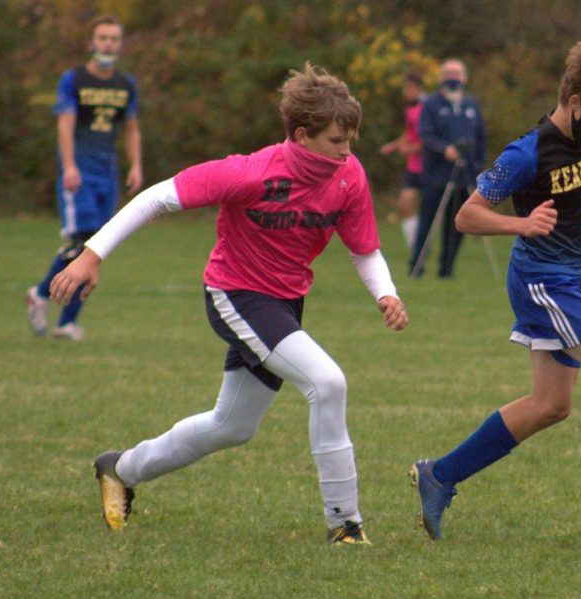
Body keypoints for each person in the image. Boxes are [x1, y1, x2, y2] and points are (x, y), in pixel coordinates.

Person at [50, 63, 408, 545]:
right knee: (328, 382)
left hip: (284, 302)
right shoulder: (250, 172)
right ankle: (345, 524)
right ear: (301, 135)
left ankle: (121, 468)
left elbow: (363, 249)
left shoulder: (349, 177)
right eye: (336, 141)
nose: (347, 151)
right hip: (235, 294)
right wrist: (92, 254)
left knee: (232, 426)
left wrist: (385, 293)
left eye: (350, 140)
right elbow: (157, 198)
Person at [410, 42, 581, 547]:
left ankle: (439, 475)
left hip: (570, 277)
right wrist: (521, 223)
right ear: (574, 101)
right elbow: (467, 215)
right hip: (544, 283)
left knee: (551, 405)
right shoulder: (525, 153)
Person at [25, 14, 142, 341]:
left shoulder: (126, 84)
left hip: (107, 172)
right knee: (82, 242)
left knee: (96, 247)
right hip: (81, 172)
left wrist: (135, 166)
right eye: (103, 38)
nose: (108, 44)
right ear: (91, 44)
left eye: (114, 38)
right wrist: (70, 165)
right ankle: (40, 294)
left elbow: (131, 128)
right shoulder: (73, 80)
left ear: (120, 44)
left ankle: (66, 323)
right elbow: (64, 123)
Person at [408, 59, 486, 278]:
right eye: (449, 73)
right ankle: (417, 265)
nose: (453, 77)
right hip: (437, 173)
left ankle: (447, 268)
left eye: (457, 73)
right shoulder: (432, 104)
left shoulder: (471, 104)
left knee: (456, 223)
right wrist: (445, 149)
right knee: (428, 221)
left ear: (465, 77)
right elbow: (425, 134)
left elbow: (481, 137)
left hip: (464, 174)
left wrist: (477, 166)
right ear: (441, 77)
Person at [379, 72, 425, 247]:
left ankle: (421, 243)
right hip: (413, 166)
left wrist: (411, 148)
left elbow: (427, 138)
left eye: (411, 89)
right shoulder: (410, 109)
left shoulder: (425, 109)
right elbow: (409, 134)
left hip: (427, 166)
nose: (407, 92)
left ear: (419, 89)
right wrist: (393, 146)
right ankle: (416, 245)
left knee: (429, 209)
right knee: (405, 204)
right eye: (406, 89)